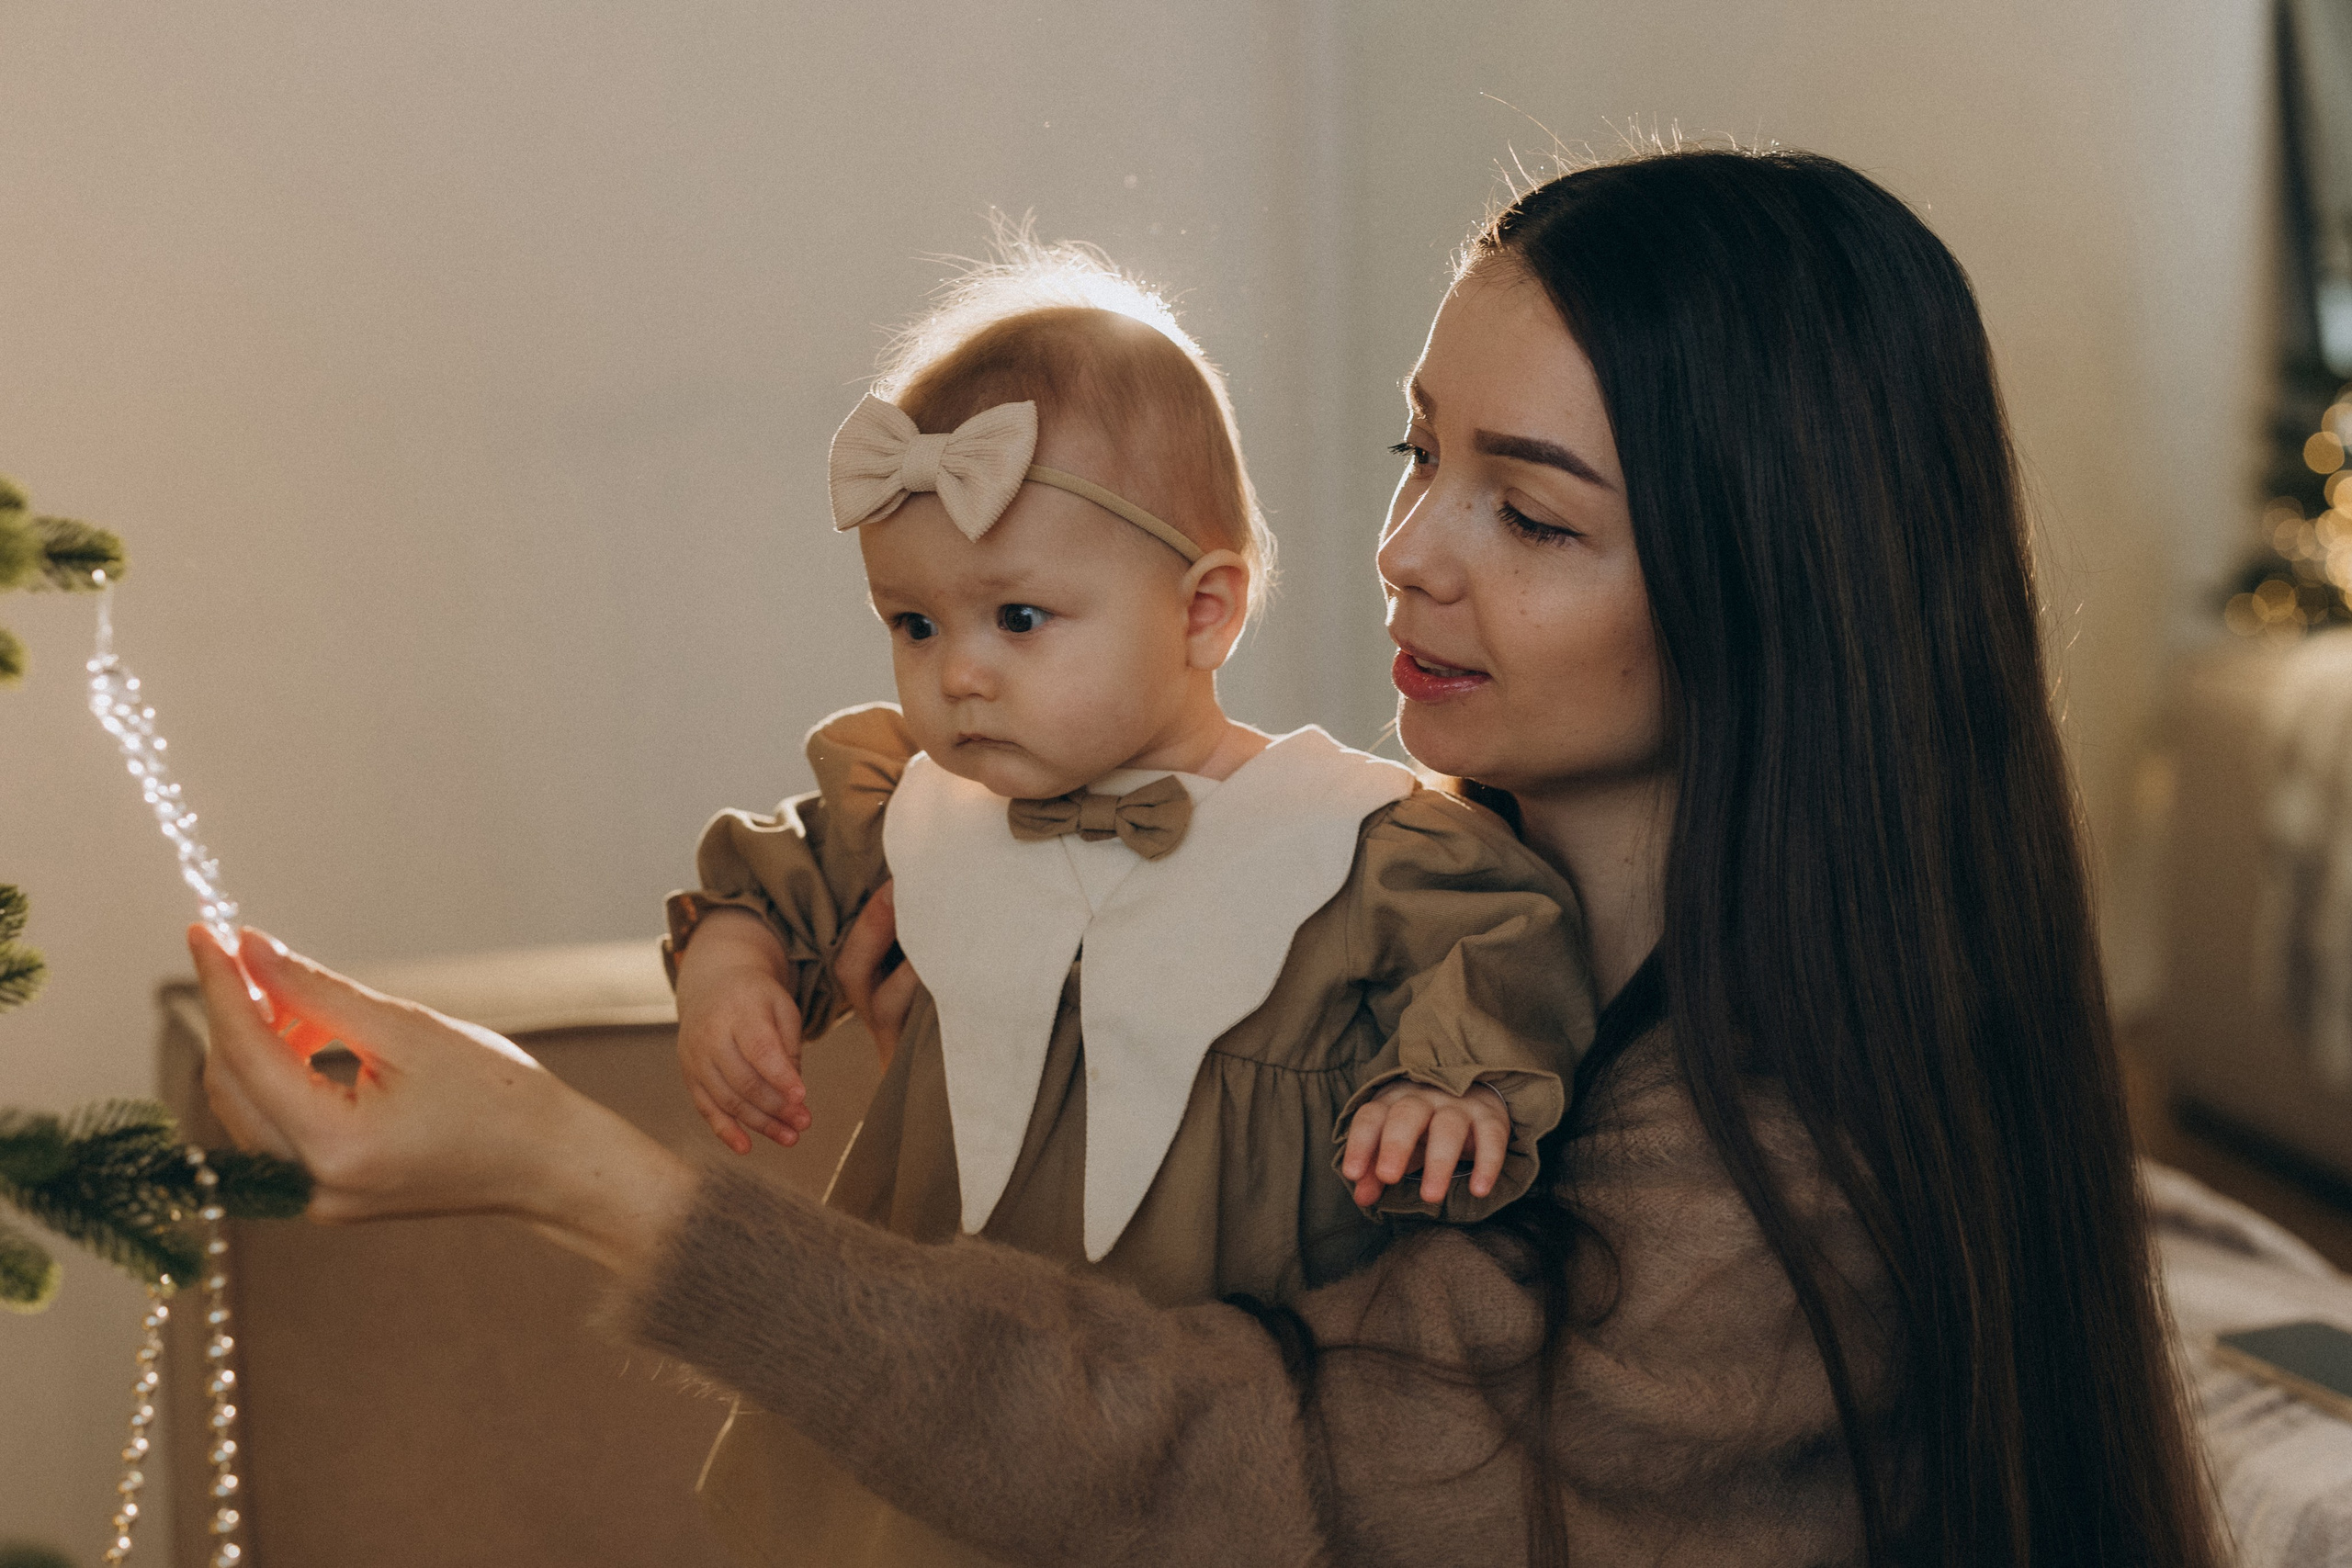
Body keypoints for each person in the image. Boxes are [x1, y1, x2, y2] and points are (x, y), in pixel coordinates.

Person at [188, 145, 2224, 1567]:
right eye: (1421, 452)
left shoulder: (1784, 1170)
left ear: (1773, 588)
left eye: (1530, 510)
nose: (1406, 545)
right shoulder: (1335, 886)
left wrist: (568, 1170)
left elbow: (1245, 1452)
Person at [662, 248, 1591, 1564]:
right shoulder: (912, 805)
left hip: (1198, 1429)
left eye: (1020, 618)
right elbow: (770, 879)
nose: (959, 677)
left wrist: (1445, 1089)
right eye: (914, 624)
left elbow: (1496, 955)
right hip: (947, 1383)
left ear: (1204, 610)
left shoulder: (1352, 843)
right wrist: (736, 974)